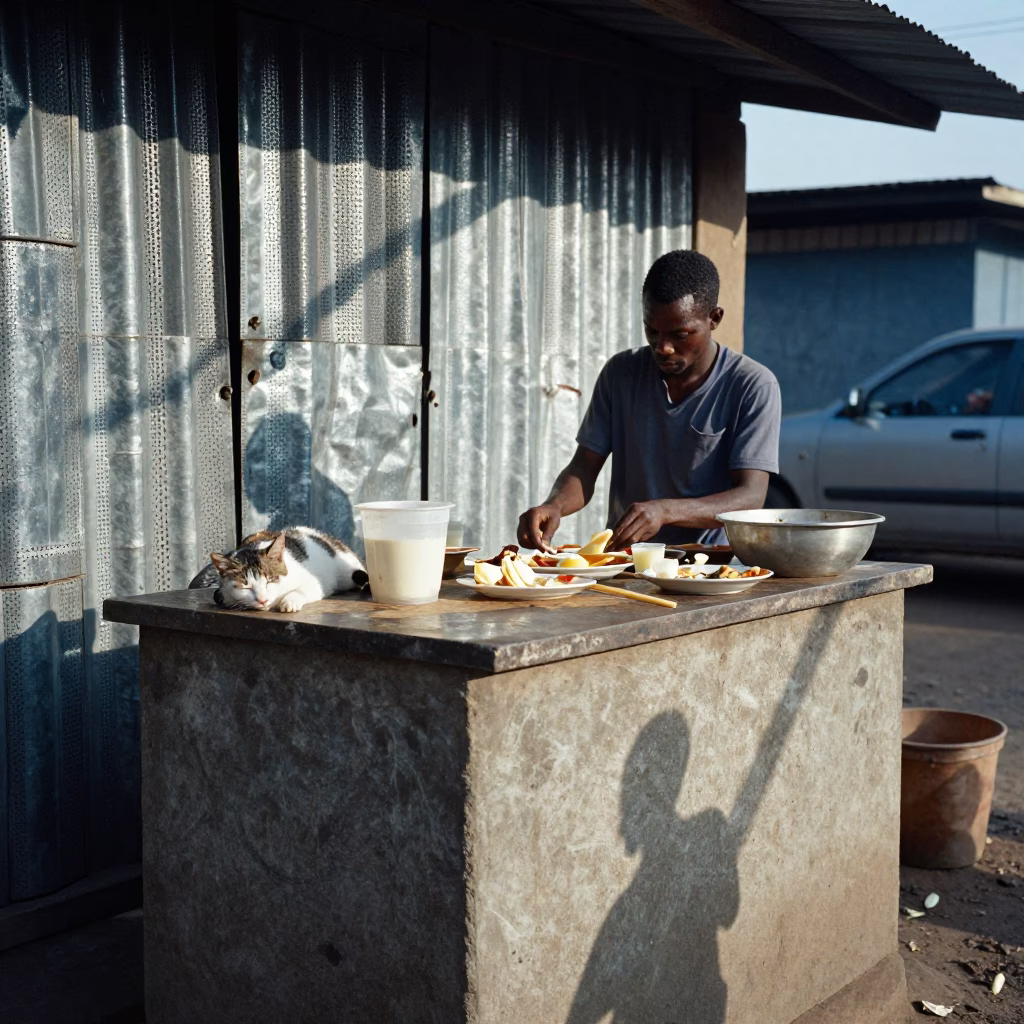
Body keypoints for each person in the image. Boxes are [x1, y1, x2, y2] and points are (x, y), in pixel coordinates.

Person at [518, 250, 781, 551]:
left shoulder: (752, 385)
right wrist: (555, 505)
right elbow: (584, 468)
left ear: (714, 319)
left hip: (707, 567)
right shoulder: (621, 374)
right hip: (625, 562)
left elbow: (750, 496)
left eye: (680, 334)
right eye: (652, 331)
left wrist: (665, 511)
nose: (664, 347)